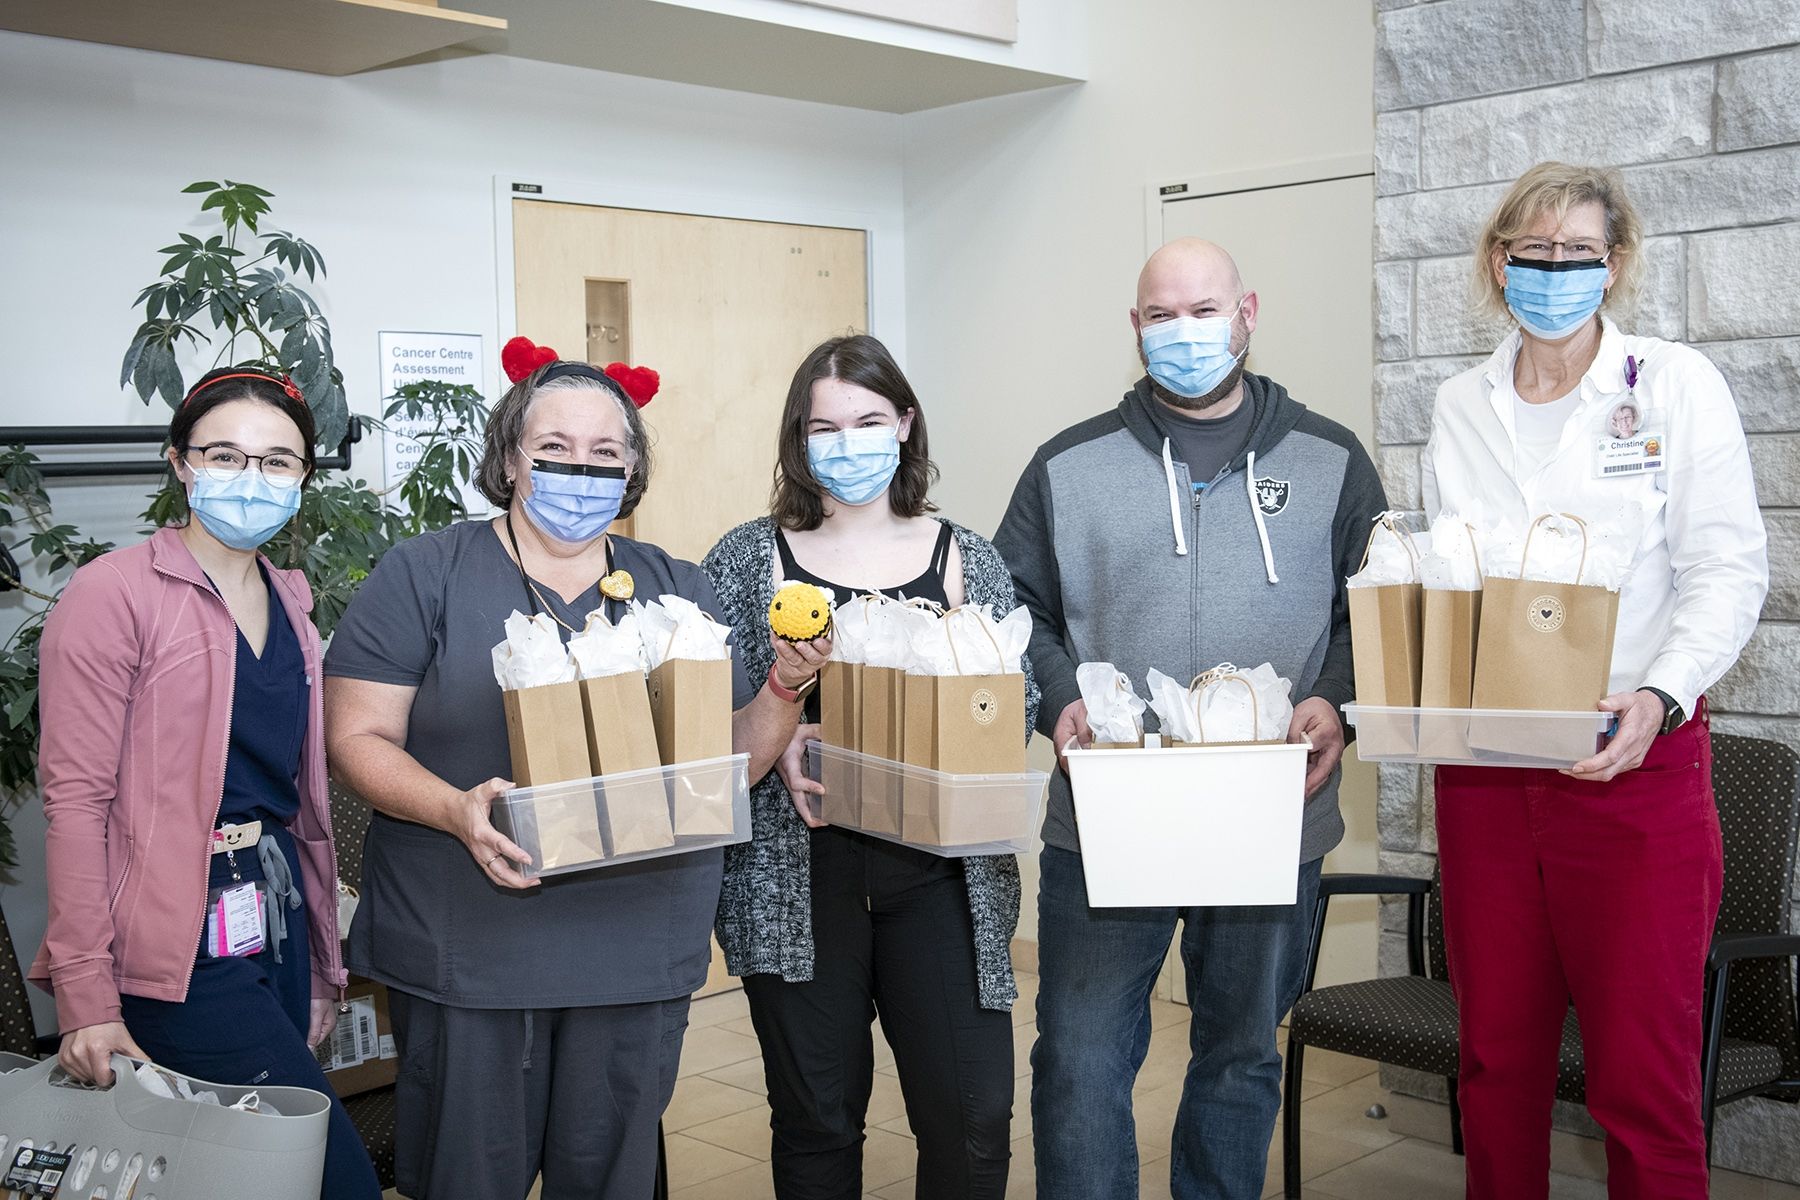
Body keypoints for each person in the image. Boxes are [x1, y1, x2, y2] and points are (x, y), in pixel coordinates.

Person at [322, 342, 817, 1200]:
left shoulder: (676, 590)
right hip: (472, 946)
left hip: (633, 946)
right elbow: (357, 737)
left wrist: (785, 684)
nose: (578, 472)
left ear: (632, 472)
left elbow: (728, 763)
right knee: (470, 1177)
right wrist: (453, 809)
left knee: (612, 1177)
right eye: (553, 451)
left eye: (605, 455)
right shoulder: (425, 575)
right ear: (511, 457)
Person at [994, 239, 1387, 1200]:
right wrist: (1058, 700)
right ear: (1135, 328)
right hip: (1108, 816)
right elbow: (1013, 610)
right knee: (1080, 1058)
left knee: (1242, 1051)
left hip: (1270, 812)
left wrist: (1334, 701)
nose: (1184, 332)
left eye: (1204, 310)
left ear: (1248, 311)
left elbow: (1374, 609)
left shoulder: (1332, 459)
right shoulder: (1066, 465)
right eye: (1161, 315)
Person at [1421, 162, 1767, 1199]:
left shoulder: (1671, 384)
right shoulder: (1458, 405)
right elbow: (1451, 580)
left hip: (1634, 769)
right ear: (1498, 261)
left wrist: (1659, 696)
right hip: (1486, 775)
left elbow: (1728, 568)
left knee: (1641, 1081)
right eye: (1535, 251)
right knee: (1495, 1066)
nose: (1555, 271)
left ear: (1615, 266)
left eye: (1580, 253)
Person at [29, 366, 381, 1199]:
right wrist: (84, 995)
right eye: (224, 454)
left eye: (277, 462)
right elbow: (75, 802)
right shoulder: (111, 595)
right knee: (330, 1180)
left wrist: (324, 961)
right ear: (180, 463)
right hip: (172, 940)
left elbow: (304, 807)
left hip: (274, 911)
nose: (249, 479)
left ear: (304, 477)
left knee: (233, 1178)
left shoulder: (290, 599)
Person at [702, 334, 1039, 1199]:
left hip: (943, 878)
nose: (846, 442)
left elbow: (1018, 702)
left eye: (867, 420)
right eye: (825, 426)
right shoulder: (745, 558)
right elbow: (704, 740)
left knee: (972, 1123)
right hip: (794, 876)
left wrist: (937, 730)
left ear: (905, 425)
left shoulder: (965, 556)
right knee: (817, 1123)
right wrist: (778, 743)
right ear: (797, 439)